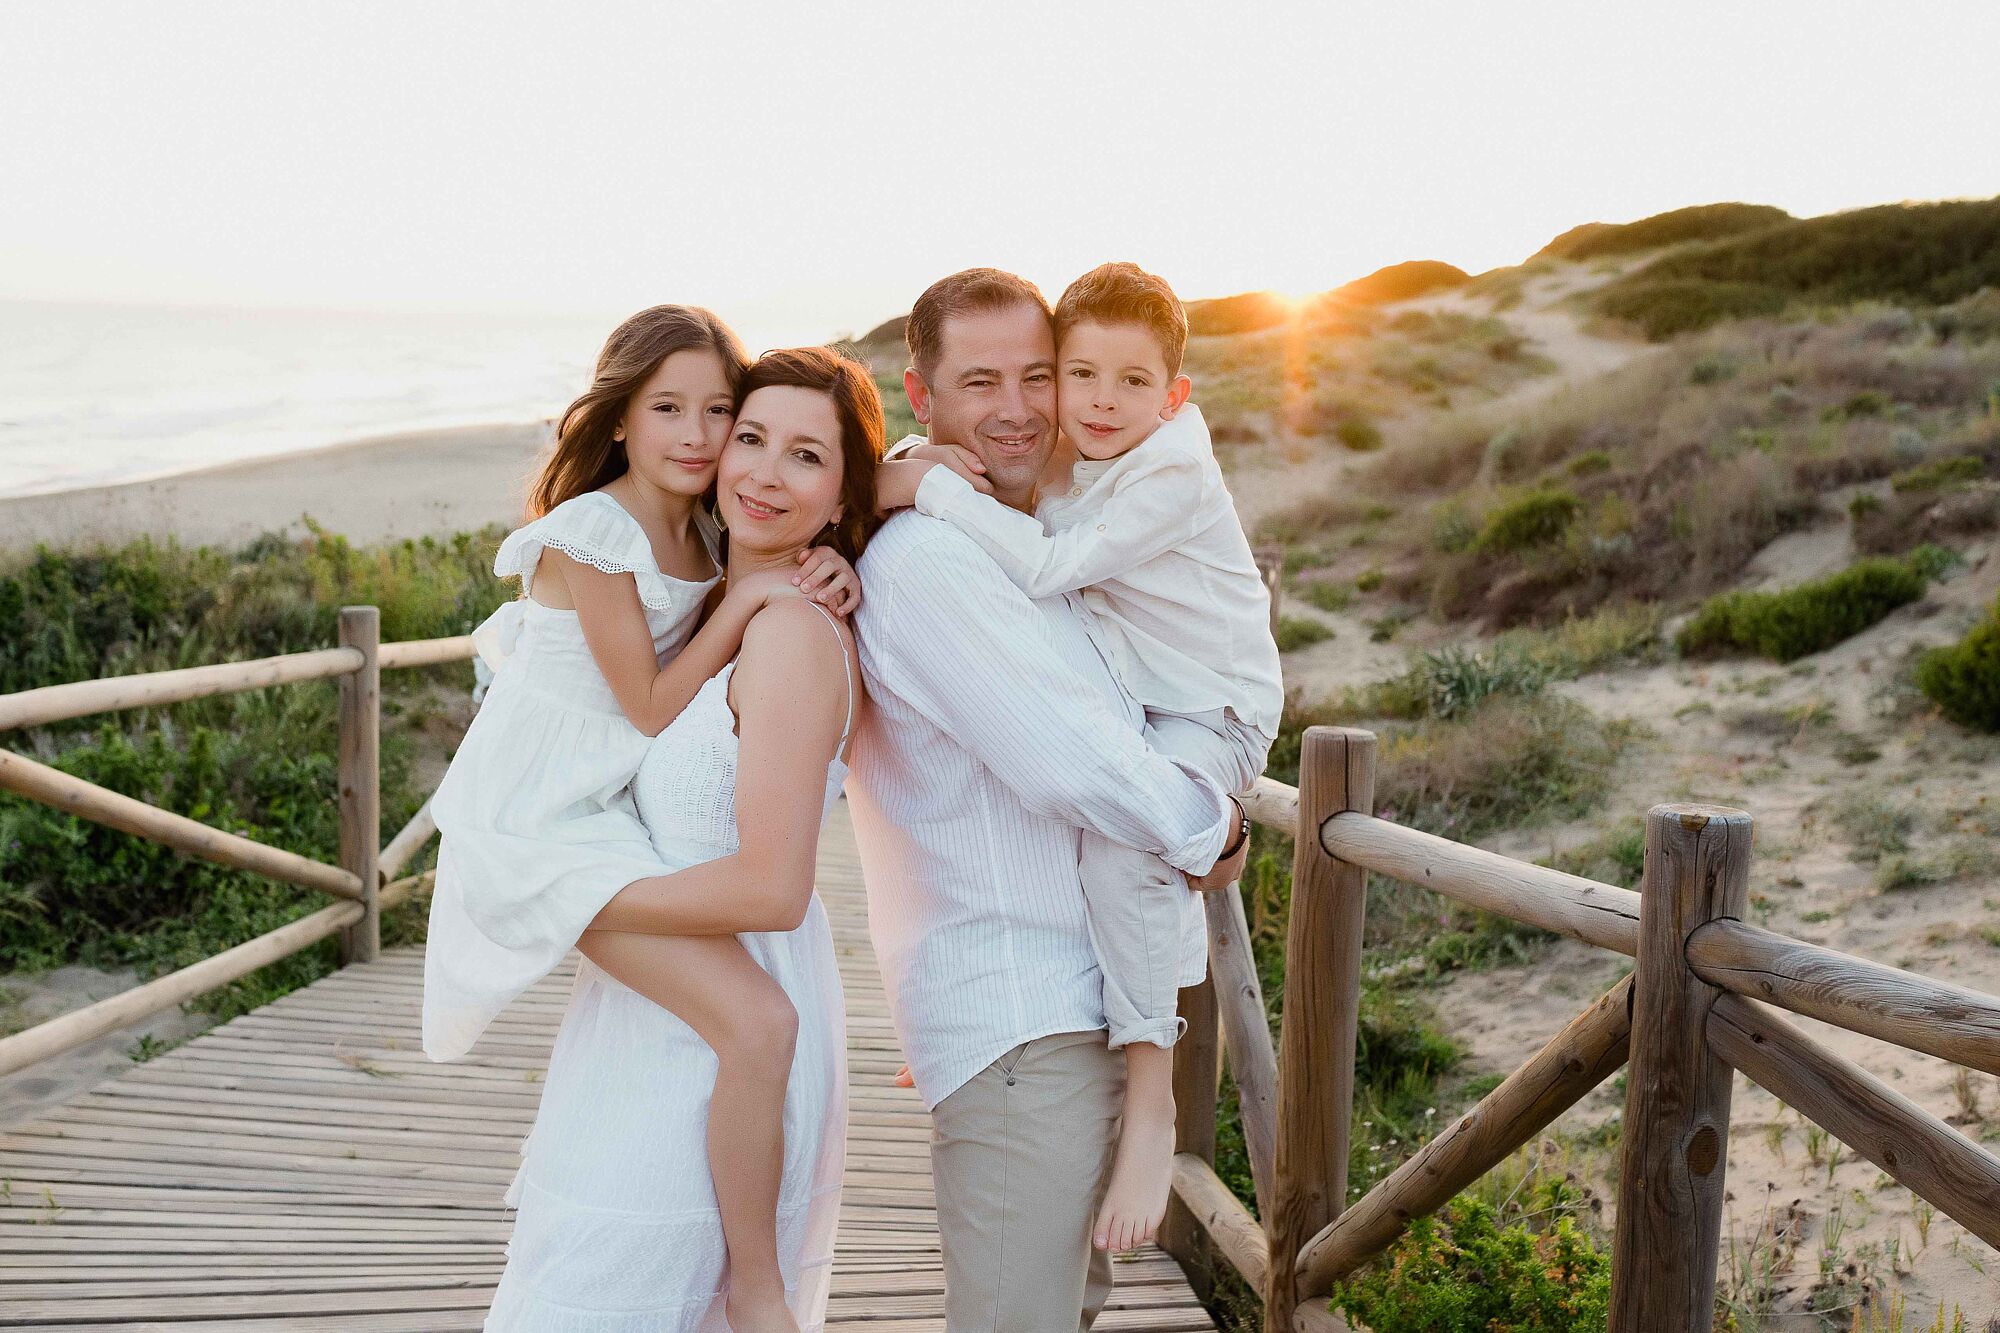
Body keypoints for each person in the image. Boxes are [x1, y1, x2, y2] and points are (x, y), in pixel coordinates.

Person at [422, 309, 870, 1330]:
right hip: (541, 825)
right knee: (758, 1019)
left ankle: (752, 1279)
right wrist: (749, 604)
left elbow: (857, 475)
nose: (704, 436)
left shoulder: (708, 534)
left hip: (597, 817)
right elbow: (654, 705)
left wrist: (832, 554)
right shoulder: (598, 531)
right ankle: (757, 1289)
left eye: (722, 411)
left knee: (758, 1023)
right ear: (618, 417)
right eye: (668, 407)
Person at [846, 268, 1254, 1330]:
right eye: (980, 381)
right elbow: (1077, 767)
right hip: (1020, 1024)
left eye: (1040, 375)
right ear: (919, 394)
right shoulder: (936, 559)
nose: (1022, 406)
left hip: (1066, 1017)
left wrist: (903, 471)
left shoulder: (1019, 512)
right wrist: (1215, 826)